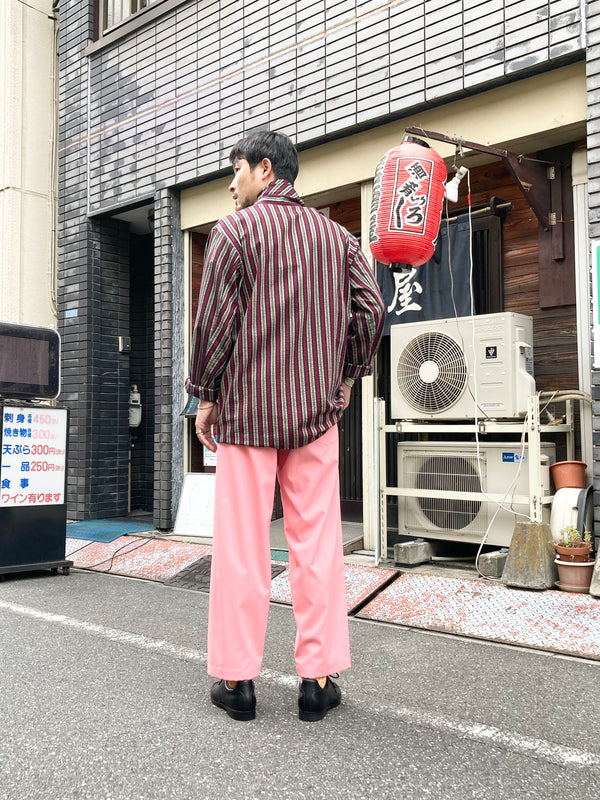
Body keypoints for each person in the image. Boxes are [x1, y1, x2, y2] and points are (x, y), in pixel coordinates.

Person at [185, 130, 385, 722]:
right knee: (317, 545)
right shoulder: (338, 238)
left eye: (237, 171)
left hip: (247, 414)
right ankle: (317, 681)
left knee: (242, 547)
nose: (230, 183)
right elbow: (371, 310)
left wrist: (204, 395)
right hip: (316, 416)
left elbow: (214, 323)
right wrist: (347, 376)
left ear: (266, 170)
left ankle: (237, 681)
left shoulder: (235, 232)